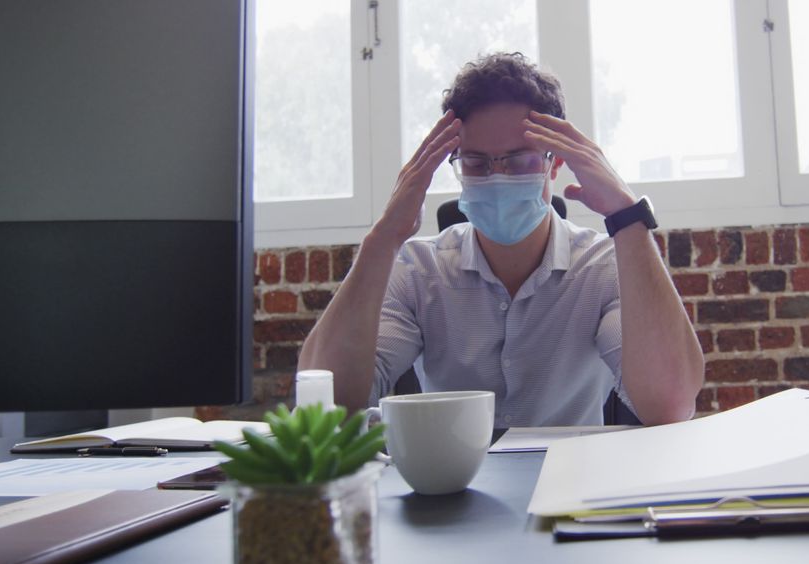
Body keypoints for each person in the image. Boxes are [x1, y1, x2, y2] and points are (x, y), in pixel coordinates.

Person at [297, 52, 702, 427]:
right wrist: (383, 237)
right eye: (476, 162)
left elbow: (669, 406)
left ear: (555, 162)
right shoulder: (417, 270)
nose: (497, 176)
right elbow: (324, 407)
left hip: (571, 482)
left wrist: (627, 217)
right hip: (446, 487)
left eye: (519, 159)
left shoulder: (603, 266)